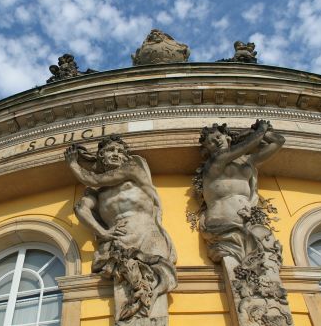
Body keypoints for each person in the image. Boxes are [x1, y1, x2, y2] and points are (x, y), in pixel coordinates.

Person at [65, 135, 176, 323]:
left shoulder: (132, 168)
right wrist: (102, 232)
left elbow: (91, 178)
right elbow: (80, 209)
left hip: (146, 232)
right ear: (101, 156)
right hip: (119, 239)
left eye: (119, 151)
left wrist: (74, 164)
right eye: (110, 151)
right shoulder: (97, 192)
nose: (116, 154)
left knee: (154, 282)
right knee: (132, 289)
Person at [197, 120, 285, 262]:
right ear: (207, 149)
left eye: (219, 137)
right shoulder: (215, 161)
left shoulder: (247, 160)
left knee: (264, 263)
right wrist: (260, 129)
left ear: (228, 137)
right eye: (211, 142)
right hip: (222, 222)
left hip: (249, 221)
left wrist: (261, 132)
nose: (217, 142)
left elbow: (279, 142)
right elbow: (251, 144)